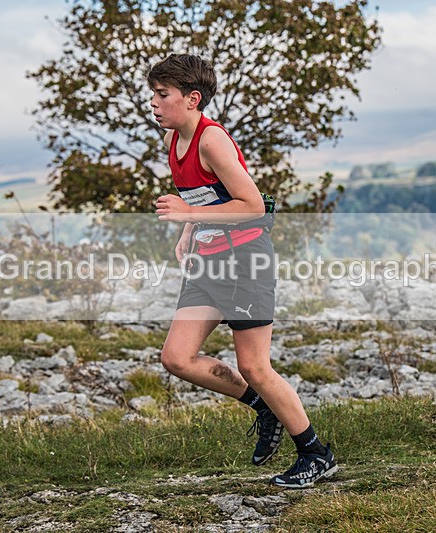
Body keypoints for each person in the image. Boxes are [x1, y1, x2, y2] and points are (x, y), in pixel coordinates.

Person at [148, 53, 337, 488]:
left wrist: (183, 213)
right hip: (208, 262)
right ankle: (263, 407)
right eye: (153, 95)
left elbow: (252, 206)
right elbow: (205, 198)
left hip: (244, 262)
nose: (154, 104)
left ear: (192, 99)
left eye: (163, 95)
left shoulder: (211, 140)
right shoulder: (173, 140)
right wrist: (190, 228)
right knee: (177, 358)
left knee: (255, 366)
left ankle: (315, 453)